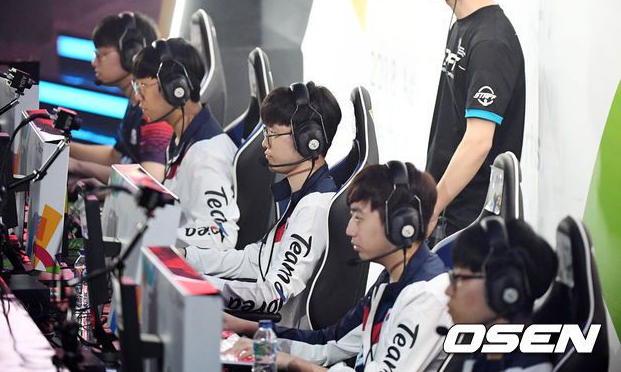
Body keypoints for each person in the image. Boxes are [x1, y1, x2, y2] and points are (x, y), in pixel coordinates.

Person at [225, 162, 452, 372]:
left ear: (400, 224)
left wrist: (291, 362)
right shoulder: (392, 280)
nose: (349, 230)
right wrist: (245, 328)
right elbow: (328, 343)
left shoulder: (427, 298)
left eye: (358, 218)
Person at [183, 81, 342, 328]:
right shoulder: (300, 199)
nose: (265, 144)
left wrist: (197, 285)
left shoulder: (312, 211)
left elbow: (271, 296)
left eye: (272, 134)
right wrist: (186, 258)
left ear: (309, 140)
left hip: (272, 338)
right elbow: (255, 260)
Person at [420, 0, 526, 243]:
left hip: (470, 228)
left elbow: (478, 142)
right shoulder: (462, 26)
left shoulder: (490, 42)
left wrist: (433, 206)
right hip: (450, 216)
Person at [131, 37, 240, 249]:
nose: (137, 97)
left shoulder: (205, 156)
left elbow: (222, 235)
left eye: (142, 86)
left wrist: (154, 232)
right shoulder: (183, 138)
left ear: (175, 87)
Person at [442, 216, 557, 371]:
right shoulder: (480, 354)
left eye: (459, 278)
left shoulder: (527, 368)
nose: (448, 291)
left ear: (503, 287)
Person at [69, 12, 172, 183]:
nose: (94, 62)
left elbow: (150, 179)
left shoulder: (154, 109)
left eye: (102, 54)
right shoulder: (135, 103)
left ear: (132, 54)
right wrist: (64, 147)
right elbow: (115, 157)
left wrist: (79, 167)